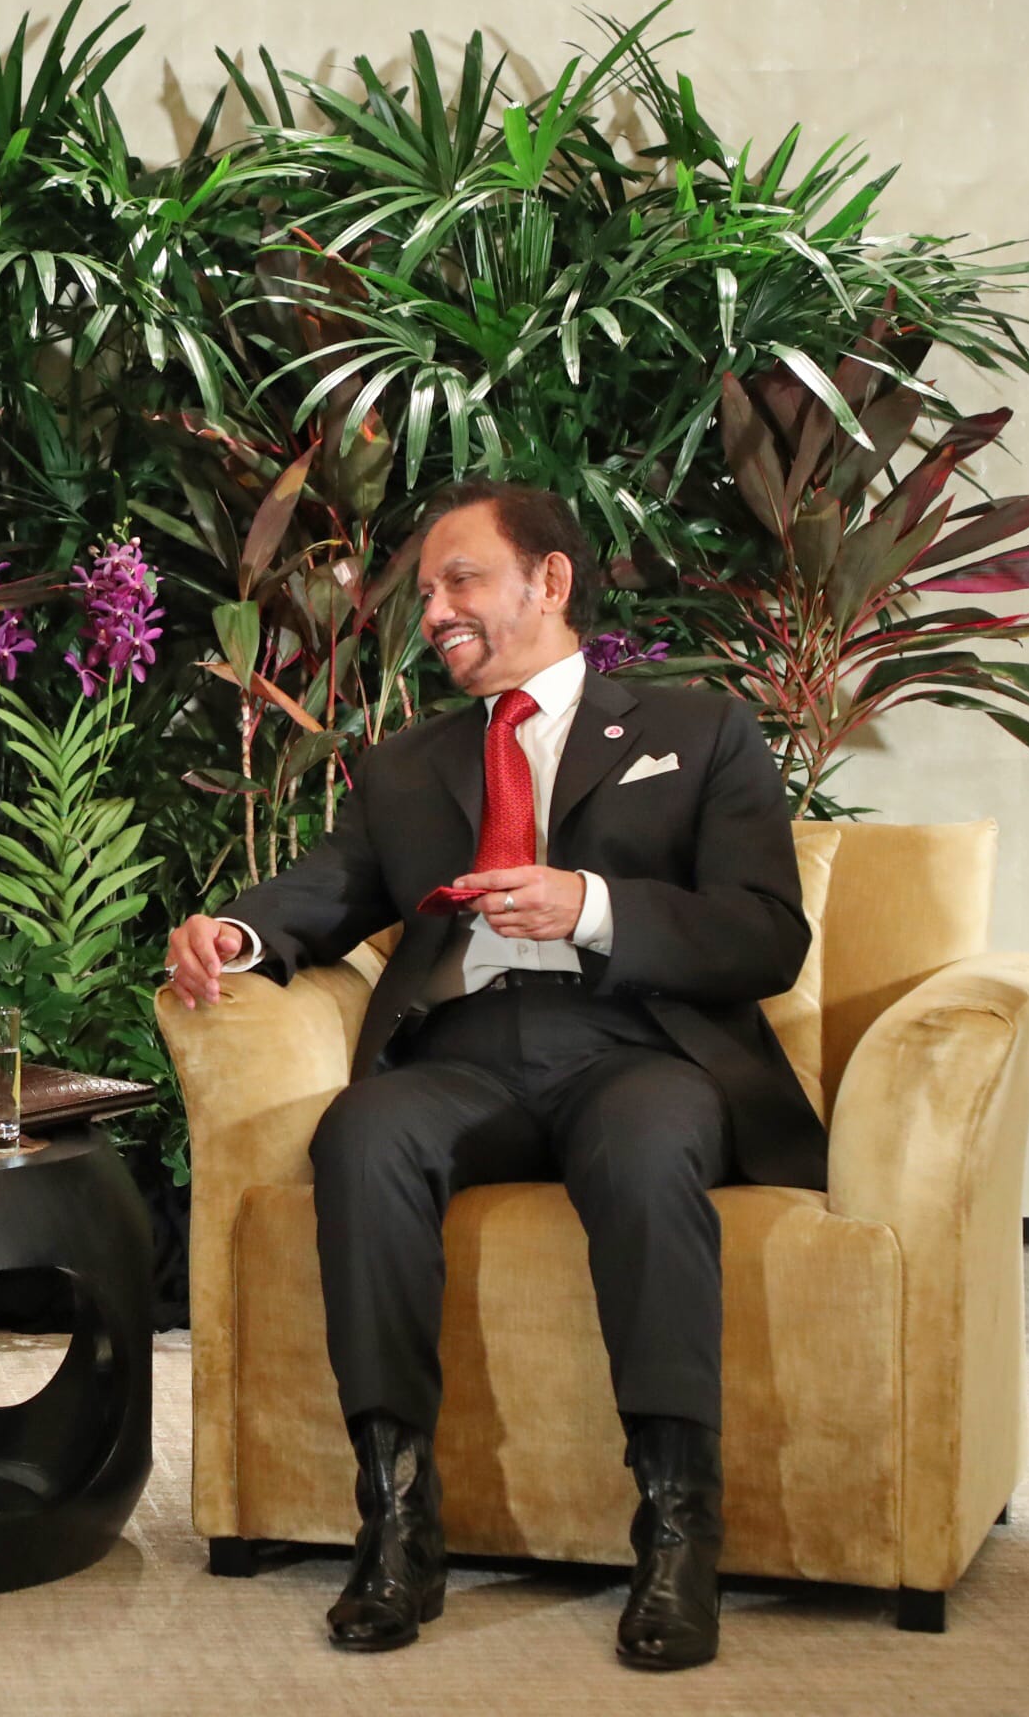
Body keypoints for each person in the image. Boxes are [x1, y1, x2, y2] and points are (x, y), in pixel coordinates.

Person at [165, 479, 819, 1672]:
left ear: (548, 582)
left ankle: (677, 1533)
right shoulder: (409, 766)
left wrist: (597, 906)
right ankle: (397, 1521)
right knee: (362, 1135)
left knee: (648, 1144)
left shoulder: (699, 730)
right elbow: (330, 888)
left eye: (460, 581)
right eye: (424, 594)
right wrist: (237, 933)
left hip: (638, 1048)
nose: (436, 612)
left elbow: (768, 934)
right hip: (466, 1055)